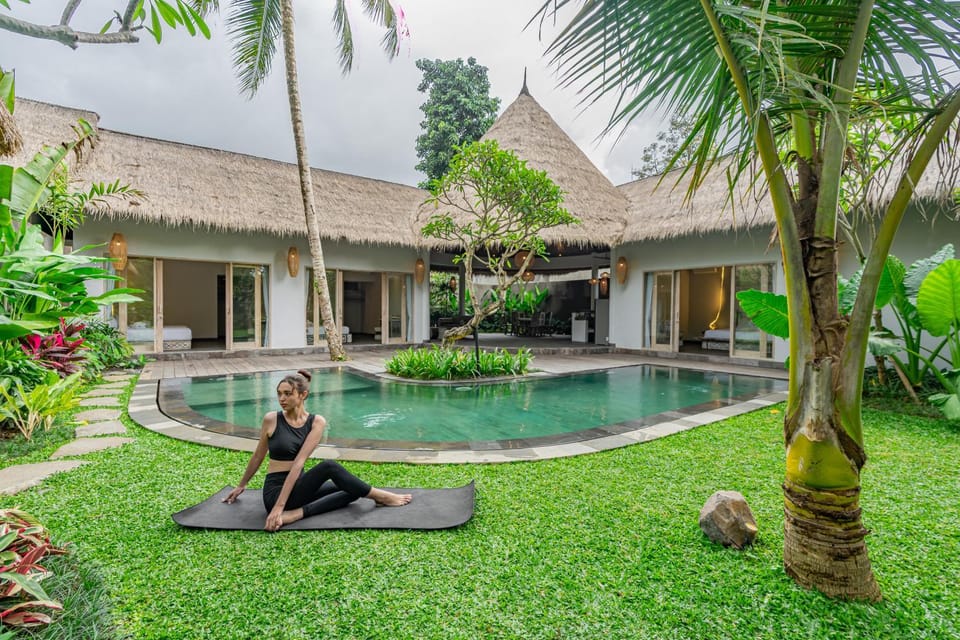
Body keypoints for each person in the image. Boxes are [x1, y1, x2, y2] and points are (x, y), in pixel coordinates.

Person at [222, 369, 411, 531]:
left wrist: (282, 507)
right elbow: (258, 456)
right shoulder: (271, 419)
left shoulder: (316, 422)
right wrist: (243, 486)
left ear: (302, 395)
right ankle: (381, 496)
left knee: (353, 488)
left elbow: (299, 463)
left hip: (299, 486)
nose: (282, 399)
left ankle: (297, 513)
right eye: (279, 394)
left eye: (287, 394)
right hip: (276, 492)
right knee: (329, 466)